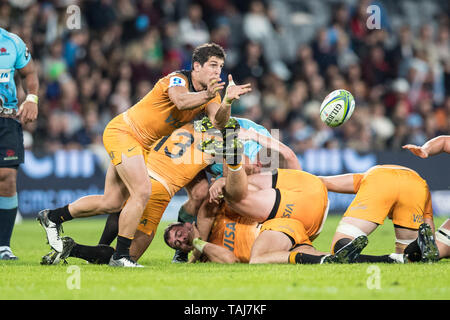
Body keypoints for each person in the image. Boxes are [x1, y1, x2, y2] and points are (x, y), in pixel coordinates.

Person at [37, 43, 251, 267]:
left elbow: (219, 121)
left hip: (141, 144)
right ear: (196, 66)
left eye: (221, 67)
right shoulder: (177, 79)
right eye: (213, 65)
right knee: (142, 191)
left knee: (111, 202)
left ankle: (52, 217)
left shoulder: (212, 96)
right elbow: (180, 100)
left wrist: (226, 101)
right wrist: (208, 94)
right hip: (125, 132)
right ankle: (121, 256)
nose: (218, 71)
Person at [171, 116, 300, 262]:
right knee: (200, 193)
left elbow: (288, 156)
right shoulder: (249, 163)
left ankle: (201, 246)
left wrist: (223, 181)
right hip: (197, 142)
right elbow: (210, 203)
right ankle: (182, 252)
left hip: (226, 149)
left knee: (227, 192)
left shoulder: (272, 167)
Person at [319, 164, 440, 263]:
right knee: (407, 257)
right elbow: (428, 222)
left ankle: (386, 260)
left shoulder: (364, 178)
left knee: (340, 249)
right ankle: (413, 252)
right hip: (416, 183)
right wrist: (432, 244)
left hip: (381, 178)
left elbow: (322, 181)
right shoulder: (422, 184)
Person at [0, 28, 39, 260]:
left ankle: (3, 245)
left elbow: (29, 74)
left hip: (6, 120)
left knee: (6, 178)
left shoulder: (11, 42)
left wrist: (32, 98)